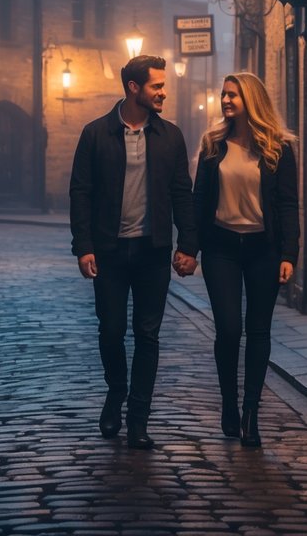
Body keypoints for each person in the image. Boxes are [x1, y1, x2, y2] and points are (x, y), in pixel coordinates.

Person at [70, 55, 199, 450]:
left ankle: (138, 418)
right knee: (110, 331)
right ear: (133, 88)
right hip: (109, 252)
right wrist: (84, 247)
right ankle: (116, 391)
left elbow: (182, 193)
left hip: (151, 252)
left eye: (163, 86)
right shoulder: (95, 134)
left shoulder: (171, 137)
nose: (164, 92)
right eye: (157, 86)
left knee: (148, 335)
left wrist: (188, 246)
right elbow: (81, 193)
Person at [192, 72, 299, 448]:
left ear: (251, 100)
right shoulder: (213, 144)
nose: (225, 101)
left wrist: (289, 253)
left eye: (233, 95)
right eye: (223, 95)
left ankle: (251, 412)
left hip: (262, 249)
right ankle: (228, 403)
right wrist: (189, 247)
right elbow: (198, 199)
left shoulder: (278, 148)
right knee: (228, 329)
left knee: (259, 331)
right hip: (221, 247)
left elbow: (287, 204)